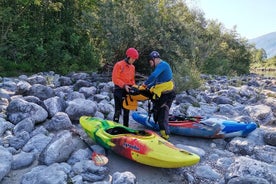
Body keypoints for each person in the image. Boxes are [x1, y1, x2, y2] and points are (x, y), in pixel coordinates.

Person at [143, 51, 175, 140]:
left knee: (162, 114)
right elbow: (156, 81)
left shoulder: (163, 65)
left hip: (167, 94)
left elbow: (153, 75)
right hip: (161, 93)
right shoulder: (159, 67)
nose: (150, 64)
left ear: (155, 59)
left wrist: (145, 83)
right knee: (156, 113)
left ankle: (165, 136)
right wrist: (147, 86)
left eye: (150, 61)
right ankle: (162, 132)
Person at [112, 48, 139, 127]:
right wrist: (124, 85)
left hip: (128, 90)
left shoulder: (132, 67)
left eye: (135, 59)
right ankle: (115, 127)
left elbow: (132, 80)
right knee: (117, 110)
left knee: (126, 110)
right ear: (128, 57)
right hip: (119, 90)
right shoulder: (119, 65)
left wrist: (134, 87)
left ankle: (126, 128)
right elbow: (115, 78)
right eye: (133, 58)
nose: (134, 60)